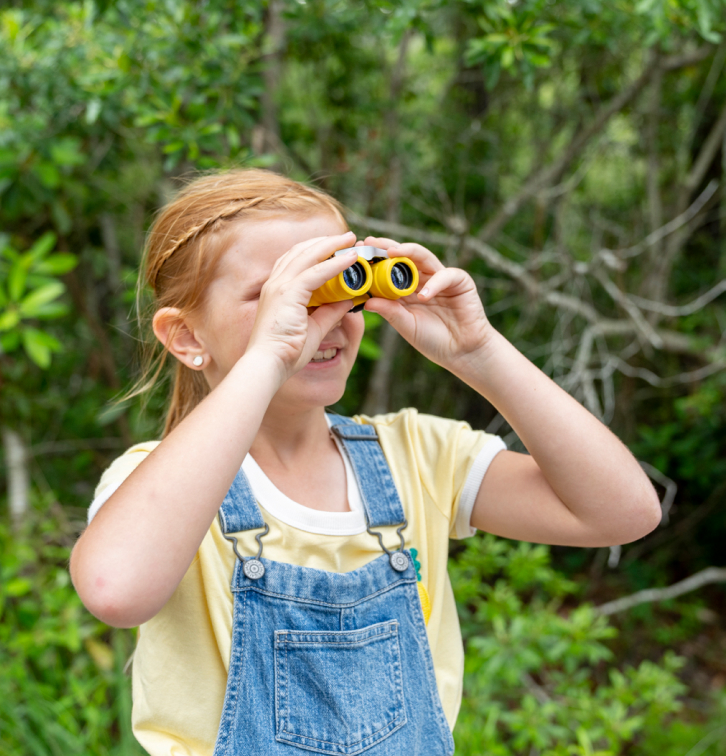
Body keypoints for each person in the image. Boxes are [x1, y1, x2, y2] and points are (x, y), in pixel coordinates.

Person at [69, 169, 661, 756]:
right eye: (277, 294)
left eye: (338, 286)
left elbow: (622, 513)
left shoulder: (419, 456)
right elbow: (115, 590)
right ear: (185, 335)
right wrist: (271, 351)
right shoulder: (157, 482)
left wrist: (479, 352)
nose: (318, 317)